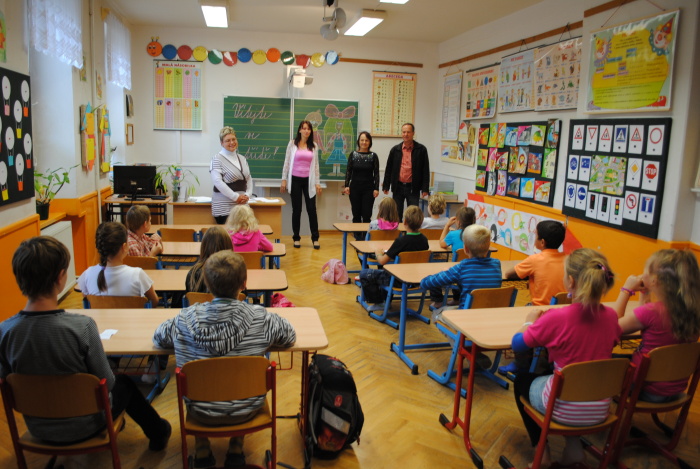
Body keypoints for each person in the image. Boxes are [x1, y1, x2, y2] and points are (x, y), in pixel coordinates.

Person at [0, 237, 171, 450]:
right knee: (124, 383)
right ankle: (159, 433)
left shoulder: (4, 331)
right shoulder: (81, 327)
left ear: (18, 278)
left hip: (38, 427)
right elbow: (107, 381)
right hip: (87, 424)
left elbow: (7, 382)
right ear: (61, 278)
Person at [153, 250, 296, 468]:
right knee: (236, 382)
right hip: (248, 407)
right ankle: (236, 448)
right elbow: (289, 335)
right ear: (244, 283)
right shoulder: (261, 318)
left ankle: (202, 450)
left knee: (204, 383)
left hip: (199, 409)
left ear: (207, 284)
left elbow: (159, 338)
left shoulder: (185, 319)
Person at [512, 248, 621, 468]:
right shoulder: (611, 316)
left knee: (522, 380)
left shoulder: (556, 318)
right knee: (558, 376)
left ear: (570, 281)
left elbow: (518, 344)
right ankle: (574, 450)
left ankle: (542, 453)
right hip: (600, 408)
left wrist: (529, 322)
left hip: (563, 409)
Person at [614, 249, 700, 402]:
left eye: (646, 270)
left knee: (606, 361)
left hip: (644, 389)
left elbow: (612, 328)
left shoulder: (652, 312)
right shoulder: (693, 310)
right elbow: (645, 321)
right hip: (675, 389)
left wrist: (626, 290)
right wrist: (645, 292)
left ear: (655, 280)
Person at [500, 220, 567, 376]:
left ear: (542, 242)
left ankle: (521, 364)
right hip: (564, 311)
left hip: (540, 311)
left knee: (521, 321)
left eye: (536, 236)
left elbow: (509, 274)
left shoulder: (535, 259)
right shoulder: (569, 260)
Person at [420, 224, 501, 312]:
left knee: (438, 313)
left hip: (466, 315)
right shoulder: (496, 264)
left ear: (465, 248)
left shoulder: (462, 267)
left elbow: (427, 283)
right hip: (491, 313)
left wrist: (445, 272)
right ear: (488, 247)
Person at [358, 206, 428, 307]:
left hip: (398, 280)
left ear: (405, 222)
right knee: (386, 272)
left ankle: (379, 302)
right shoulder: (424, 240)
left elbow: (382, 261)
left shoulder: (400, 241)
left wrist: (378, 253)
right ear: (421, 223)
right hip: (417, 279)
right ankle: (385, 300)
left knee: (365, 274)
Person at [78, 221, 158, 306]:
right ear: (124, 247)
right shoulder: (137, 275)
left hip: (100, 315)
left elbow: (87, 301)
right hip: (131, 315)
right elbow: (154, 301)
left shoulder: (87, 274)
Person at [281, 120, 322, 249]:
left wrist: (317, 183)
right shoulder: (292, 144)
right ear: (299, 130)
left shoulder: (314, 146)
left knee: (311, 209)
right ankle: (296, 238)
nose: (306, 131)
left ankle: (315, 238)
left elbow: (316, 166)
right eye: (304, 128)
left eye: (308, 129)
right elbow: (287, 161)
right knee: (297, 210)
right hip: (295, 180)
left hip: (309, 181)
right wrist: (283, 179)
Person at [382, 123, 430, 220]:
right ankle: (397, 230)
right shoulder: (395, 150)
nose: (406, 134)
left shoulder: (421, 150)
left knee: (413, 214)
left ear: (413, 133)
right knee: (396, 213)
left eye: (408, 132)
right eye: (404, 132)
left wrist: (425, 188)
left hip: (413, 187)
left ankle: (411, 230)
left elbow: (425, 170)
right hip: (398, 186)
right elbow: (389, 169)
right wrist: (386, 185)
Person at [211, 126, 253, 225]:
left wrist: (247, 195)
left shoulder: (242, 158)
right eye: (227, 140)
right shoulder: (217, 159)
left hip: (242, 205)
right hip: (224, 207)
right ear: (221, 143)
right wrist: (235, 197)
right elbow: (217, 182)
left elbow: (249, 178)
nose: (232, 142)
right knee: (229, 234)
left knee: (246, 232)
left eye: (234, 139)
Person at [343, 131, 380, 241]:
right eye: (362, 140)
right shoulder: (353, 155)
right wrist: (346, 185)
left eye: (366, 140)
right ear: (358, 141)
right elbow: (348, 171)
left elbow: (376, 173)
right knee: (356, 214)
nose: (364, 142)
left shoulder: (373, 156)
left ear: (370, 142)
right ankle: (357, 237)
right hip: (355, 188)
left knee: (367, 215)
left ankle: (366, 237)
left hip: (369, 189)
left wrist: (376, 188)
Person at [186, 226, 233, 293]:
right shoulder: (236, 273)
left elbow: (189, 296)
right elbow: (242, 296)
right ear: (229, 246)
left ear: (203, 246)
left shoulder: (193, 274)